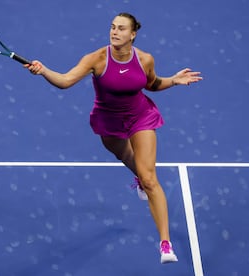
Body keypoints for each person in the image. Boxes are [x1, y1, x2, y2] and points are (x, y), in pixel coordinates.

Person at [25, 12, 202, 264]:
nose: (114, 32)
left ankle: (165, 243)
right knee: (131, 161)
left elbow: (150, 84)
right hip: (108, 122)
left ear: (133, 34)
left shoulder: (144, 59)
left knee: (150, 178)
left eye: (121, 28)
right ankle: (139, 178)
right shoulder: (96, 59)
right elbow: (65, 81)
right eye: (112, 27)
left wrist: (173, 80)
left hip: (141, 117)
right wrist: (43, 71)